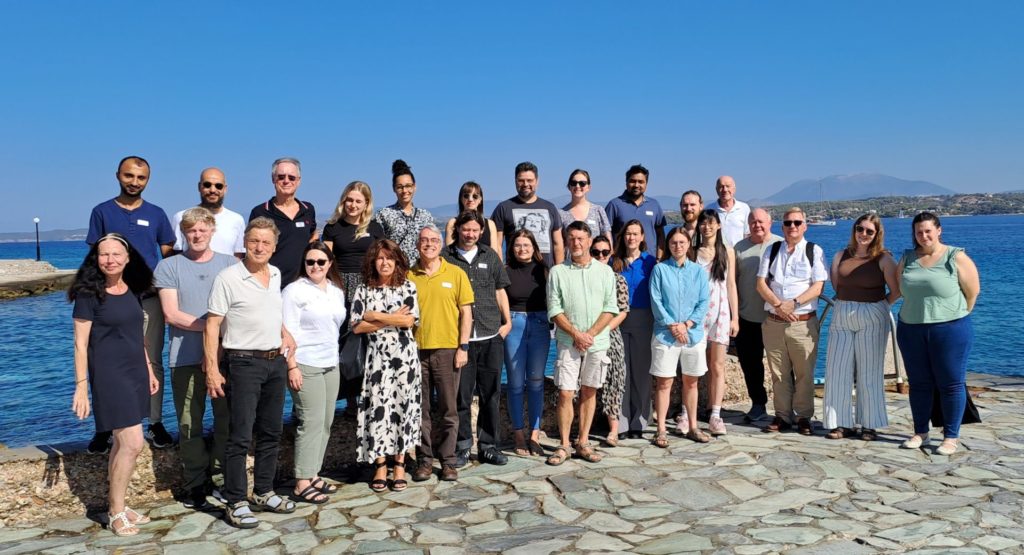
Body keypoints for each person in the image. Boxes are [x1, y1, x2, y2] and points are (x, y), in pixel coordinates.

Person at [205, 217, 298, 528]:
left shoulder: (274, 273)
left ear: (273, 248)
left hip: (275, 362)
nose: (259, 247)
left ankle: (263, 491)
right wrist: (212, 370)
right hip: (242, 362)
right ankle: (235, 500)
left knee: (271, 432)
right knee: (240, 436)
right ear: (245, 242)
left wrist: (284, 332)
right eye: (254, 241)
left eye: (266, 243)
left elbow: (270, 311)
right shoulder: (228, 277)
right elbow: (212, 325)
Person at [70, 233, 160, 536]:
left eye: (116, 254)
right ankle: (116, 511)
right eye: (103, 254)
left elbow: (138, 336)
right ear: (96, 258)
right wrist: (81, 386)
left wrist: (148, 370)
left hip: (135, 371)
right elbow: (80, 345)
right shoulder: (88, 294)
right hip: (109, 376)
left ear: (128, 257)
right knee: (134, 442)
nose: (109, 260)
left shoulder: (132, 290)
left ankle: (117, 504)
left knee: (123, 443)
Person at [86, 156, 175, 452]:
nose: (134, 182)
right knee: (103, 363)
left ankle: (154, 421)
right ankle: (104, 428)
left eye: (141, 177)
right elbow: (95, 258)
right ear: (118, 176)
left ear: (148, 180)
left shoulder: (157, 214)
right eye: (129, 176)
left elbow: (168, 257)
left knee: (152, 360)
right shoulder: (102, 212)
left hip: (148, 300)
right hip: (109, 301)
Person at [154, 208, 236, 510]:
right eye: (191, 231)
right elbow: (172, 314)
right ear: (183, 233)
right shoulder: (170, 266)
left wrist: (216, 343)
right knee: (190, 423)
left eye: (202, 229)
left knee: (226, 420)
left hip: (226, 357)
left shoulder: (230, 265)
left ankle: (220, 476)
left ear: (212, 230)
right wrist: (213, 326)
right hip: (185, 357)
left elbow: (238, 310)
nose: (197, 235)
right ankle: (195, 483)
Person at [897, 212, 979, 456]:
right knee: (919, 383)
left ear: (939, 230)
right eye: (919, 232)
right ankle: (920, 431)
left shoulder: (956, 256)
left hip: (950, 329)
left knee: (951, 383)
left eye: (928, 231)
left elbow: (972, 293)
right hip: (911, 328)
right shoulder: (907, 258)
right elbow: (900, 289)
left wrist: (952, 316)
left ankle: (950, 437)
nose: (924, 236)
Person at [350, 239, 421, 492]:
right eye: (380, 258)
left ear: (397, 261)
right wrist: (392, 318)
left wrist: (375, 315)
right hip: (377, 359)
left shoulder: (408, 287)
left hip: (405, 359)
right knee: (378, 408)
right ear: (373, 262)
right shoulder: (363, 290)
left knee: (403, 406)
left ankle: (399, 464)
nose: (385, 262)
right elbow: (357, 326)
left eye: (389, 258)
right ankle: (380, 465)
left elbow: (409, 322)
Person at [545, 221, 619, 465]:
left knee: (589, 390)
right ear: (567, 242)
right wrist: (577, 334)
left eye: (581, 238)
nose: (576, 243)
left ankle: (583, 442)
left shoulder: (605, 272)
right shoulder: (558, 272)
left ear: (589, 241)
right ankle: (565, 445)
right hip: (568, 341)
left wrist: (589, 335)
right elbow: (554, 309)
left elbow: (610, 308)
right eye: (572, 238)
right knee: (566, 392)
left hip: (597, 343)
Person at [444, 211, 512, 467]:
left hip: (490, 335)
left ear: (481, 231)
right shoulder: (445, 258)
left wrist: (507, 323)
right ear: (458, 230)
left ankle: (488, 446)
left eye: (475, 230)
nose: (470, 234)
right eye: (466, 230)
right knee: (461, 396)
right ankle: (462, 447)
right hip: (460, 340)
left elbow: (499, 290)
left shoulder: (490, 256)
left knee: (491, 394)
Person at [823, 214, 900, 441]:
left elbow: (896, 290)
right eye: (860, 229)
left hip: (873, 313)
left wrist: (882, 305)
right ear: (854, 230)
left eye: (869, 231)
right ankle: (840, 423)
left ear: (877, 234)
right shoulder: (840, 256)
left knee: (870, 371)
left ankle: (870, 424)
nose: (864, 234)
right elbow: (837, 286)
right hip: (842, 313)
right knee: (837, 370)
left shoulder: (884, 259)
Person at [282, 242, 347, 504]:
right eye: (310, 262)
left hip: (331, 362)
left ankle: (313, 474)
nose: (316, 267)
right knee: (310, 422)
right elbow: (285, 331)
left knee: (326, 421)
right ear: (304, 264)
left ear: (330, 263)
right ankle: (301, 481)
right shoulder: (294, 291)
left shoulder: (335, 291)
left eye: (321, 262)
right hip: (305, 363)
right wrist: (292, 365)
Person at [408, 226, 473, 482]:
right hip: (416, 350)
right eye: (424, 240)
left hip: (448, 350)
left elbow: (466, 312)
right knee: (420, 410)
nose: (429, 244)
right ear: (417, 245)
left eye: (434, 240)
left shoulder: (456, 274)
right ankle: (424, 460)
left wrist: (463, 347)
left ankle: (447, 461)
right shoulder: (408, 275)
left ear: (440, 245)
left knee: (448, 410)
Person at [756, 208, 828, 435]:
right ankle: (782, 416)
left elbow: (818, 286)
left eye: (797, 222)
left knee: (804, 372)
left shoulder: (813, 251)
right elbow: (761, 283)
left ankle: (804, 416)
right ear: (782, 226)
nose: (793, 226)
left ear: (805, 226)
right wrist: (779, 305)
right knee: (778, 373)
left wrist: (793, 303)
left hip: (802, 323)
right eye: (788, 223)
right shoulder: (772, 250)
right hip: (774, 322)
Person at [321, 181, 386, 411]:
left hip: (369, 286)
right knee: (343, 340)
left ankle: (368, 393)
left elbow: (382, 259)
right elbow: (325, 260)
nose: (353, 204)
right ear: (343, 200)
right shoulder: (332, 228)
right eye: (349, 199)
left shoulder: (376, 227)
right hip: (341, 287)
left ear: (366, 203)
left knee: (370, 339)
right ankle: (347, 397)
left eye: (358, 200)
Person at [649, 227, 711, 446]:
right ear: (669, 245)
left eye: (682, 242)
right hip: (665, 334)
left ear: (688, 244)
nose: (678, 246)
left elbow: (704, 301)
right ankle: (662, 429)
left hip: (692, 334)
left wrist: (686, 324)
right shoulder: (660, 270)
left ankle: (693, 426)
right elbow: (656, 300)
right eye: (674, 243)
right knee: (664, 382)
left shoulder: (698, 271)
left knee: (691, 382)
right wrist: (673, 326)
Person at [690, 209, 739, 436]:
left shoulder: (726, 252)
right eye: (703, 223)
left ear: (718, 225)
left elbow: (730, 285)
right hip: (697, 315)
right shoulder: (692, 252)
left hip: (720, 313)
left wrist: (735, 316)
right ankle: (686, 412)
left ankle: (715, 414)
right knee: (693, 365)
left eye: (711, 223)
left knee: (717, 365)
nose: (706, 227)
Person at [503, 229, 551, 457]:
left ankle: (534, 432)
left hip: (540, 324)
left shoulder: (544, 270)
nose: (522, 249)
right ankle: (518, 433)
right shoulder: (505, 271)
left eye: (527, 245)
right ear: (512, 248)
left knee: (536, 381)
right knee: (514, 382)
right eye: (518, 245)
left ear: (534, 248)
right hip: (514, 324)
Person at [733, 208, 782, 422]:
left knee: (782, 366)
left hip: (776, 318)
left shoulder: (781, 244)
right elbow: (732, 282)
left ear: (770, 223)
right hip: (747, 317)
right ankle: (758, 403)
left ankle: (787, 407)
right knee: (751, 365)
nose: (757, 225)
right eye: (753, 222)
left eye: (761, 221)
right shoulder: (739, 248)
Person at [611, 219, 658, 439]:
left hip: (644, 318)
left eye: (635, 234)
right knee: (621, 373)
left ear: (642, 237)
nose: (631, 237)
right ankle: (620, 424)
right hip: (619, 319)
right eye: (628, 234)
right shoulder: (614, 261)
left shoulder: (651, 262)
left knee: (641, 372)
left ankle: (639, 421)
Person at [249, 157, 317, 286]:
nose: (286, 181)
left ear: (298, 181)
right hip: (271, 285)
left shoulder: (308, 209)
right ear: (273, 179)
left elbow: (313, 234)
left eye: (291, 177)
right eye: (281, 177)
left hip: (304, 284)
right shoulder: (260, 212)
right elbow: (251, 250)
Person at [589, 235, 630, 447]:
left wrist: (602, 330)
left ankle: (613, 430)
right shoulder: (585, 278)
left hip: (611, 336)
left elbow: (623, 311)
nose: (601, 256)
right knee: (586, 384)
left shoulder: (618, 279)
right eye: (596, 252)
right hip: (587, 337)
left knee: (615, 381)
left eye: (605, 252)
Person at [491, 161, 565, 266]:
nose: (525, 184)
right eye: (521, 180)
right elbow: (497, 245)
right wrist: (500, 272)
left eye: (530, 180)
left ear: (537, 181)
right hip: (514, 273)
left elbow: (558, 244)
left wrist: (559, 271)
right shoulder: (503, 208)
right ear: (515, 181)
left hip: (545, 273)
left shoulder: (550, 208)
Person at [170, 168, 246, 257]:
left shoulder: (237, 220)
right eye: (207, 185)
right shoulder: (181, 217)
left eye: (218, 186)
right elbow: (176, 256)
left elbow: (238, 257)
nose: (212, 190)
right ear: (199, 187)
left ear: (225, 189)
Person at [374, 160, 435, 266]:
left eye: (408, 186)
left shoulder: (425, 216)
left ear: (414, 187)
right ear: (394, 189)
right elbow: (378, 247)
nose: (404, 190)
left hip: (420, 271)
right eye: (400, 187)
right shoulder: (384, 215)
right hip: (394, 271)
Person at [605, 164, 666, 258]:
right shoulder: (614, 205)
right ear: (626, 182)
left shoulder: (654, 205)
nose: (636, 185)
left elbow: (661, 235)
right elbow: (605, 234)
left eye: (641, 182)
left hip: (649, 263)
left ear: (646, 184)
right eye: (632, 181)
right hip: (620, 262)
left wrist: (659, 258)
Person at [560, 169, 612, 253]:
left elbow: (608, 239)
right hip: (570, 263)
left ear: (588, 187)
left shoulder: (598, 210)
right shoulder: (561, 213)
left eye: (582, 183)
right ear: (569, 187)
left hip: (595, 262)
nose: (577, 186)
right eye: (574, 183)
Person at [445, 181, 500, 252]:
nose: (470, 199)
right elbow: (449, 253)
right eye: (466, 196)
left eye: (475, 196)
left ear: (480, 200)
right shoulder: (452, 223)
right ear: (461, 199)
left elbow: (494, 254)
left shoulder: (490, 224)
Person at [706, 176, 751, 247]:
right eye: (721, 187)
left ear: (734, 189)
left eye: (728, 186)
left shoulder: (744, 208)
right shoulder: (709, 209)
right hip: (717, 254)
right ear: (716, 190)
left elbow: (747, 234)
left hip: (739, 254)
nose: (725, 190)